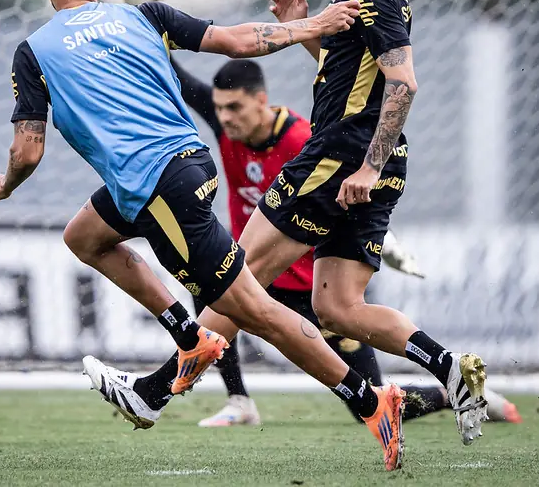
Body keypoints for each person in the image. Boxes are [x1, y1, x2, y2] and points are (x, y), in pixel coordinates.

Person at [0, 0, 406, 471]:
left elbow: (28, 150)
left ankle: (370, 402)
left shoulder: (34, 51)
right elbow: (235, 40)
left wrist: (6, 184)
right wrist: (311, 24)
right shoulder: (142, 15)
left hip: (157, 187)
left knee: (256, 312)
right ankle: (187, 337)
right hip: (184, 167)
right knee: (84, 236)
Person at [113, 0, 491, 450]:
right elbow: (354, 78)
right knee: (336, 308)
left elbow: (403, 83)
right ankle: (449, 369)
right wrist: (310, 29)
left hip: (341, 158)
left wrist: (367, 166)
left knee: (236, 278)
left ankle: (155, 391)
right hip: (369, 160)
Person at [164, 54, 520, 428]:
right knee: (211, 280)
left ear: (261, 100)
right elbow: (181, 79)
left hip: (311, 290)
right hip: (258, 275)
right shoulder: (228, 126)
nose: (225, 117)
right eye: (220, 108)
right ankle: (238, 400)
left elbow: (351, 190)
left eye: (234, 107)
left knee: (368, 400)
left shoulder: (304, 142)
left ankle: (451, 393)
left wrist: (386, 240)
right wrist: (149, 29)